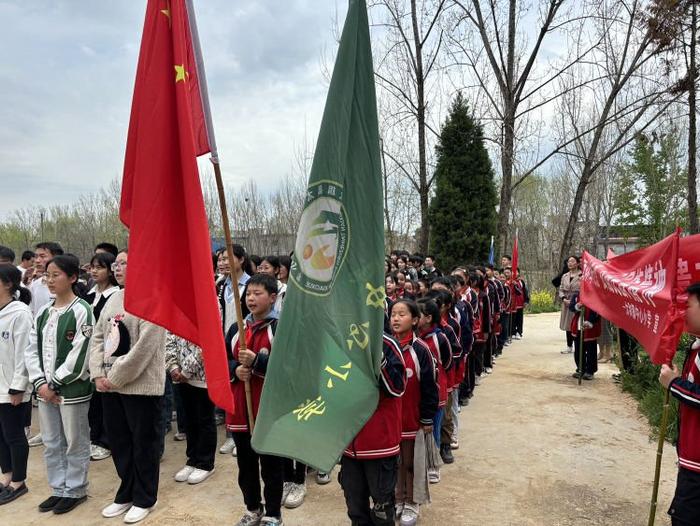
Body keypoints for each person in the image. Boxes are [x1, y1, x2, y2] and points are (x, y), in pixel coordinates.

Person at [89, 249, 166, 523]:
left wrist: (117, 376)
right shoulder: (114, 298)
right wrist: (97, 372)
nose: (117, 268)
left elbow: (146, 347)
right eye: (116, 264)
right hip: (109, 386)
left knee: (143, 443)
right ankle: (126, 493)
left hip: (140, 387)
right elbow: (98, 337)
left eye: (124, 263)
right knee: (120, 443)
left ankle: (145, 498)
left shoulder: (154, 298)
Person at [24, 254, 93, 515]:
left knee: (75, 440)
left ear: (73, 277)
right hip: (44, 390)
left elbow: (80, 354)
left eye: (56, 275)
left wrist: (54, 383)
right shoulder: (43, 312)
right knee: (52, 441)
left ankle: (75, 489)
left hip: (71, 389)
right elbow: (32, 350)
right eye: (47, 276)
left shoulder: (81, 310)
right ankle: (59, 488)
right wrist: (40, 382)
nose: (50, 281)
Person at [226, 273, 284, 526]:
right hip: (240, 409)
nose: (251, 298)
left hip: (269, 411)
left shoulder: (280, 328)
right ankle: (252, 508)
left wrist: (258, 361)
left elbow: (290, 368)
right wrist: (235, 371)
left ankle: (273, 513)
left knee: (271, 466)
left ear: (272, 298)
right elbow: (221, 361)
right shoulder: (236, 329)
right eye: (248, 293)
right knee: (245, 465)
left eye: (257, 293)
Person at [340, 333, 406, 525]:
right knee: (355, 507)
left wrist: (380, 360)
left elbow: (397, 388)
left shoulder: (387, 343)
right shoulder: (339, 342)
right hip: (348, 443)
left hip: (379, 444)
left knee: (382, 509)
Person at [390, 299, 438, 526]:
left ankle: (412, 502)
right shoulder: (386, 347)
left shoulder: (421, 350)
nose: (396, 319)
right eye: (393, 314)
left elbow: (430, 386)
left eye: (402, 314)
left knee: (411, 463)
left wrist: (427, 417)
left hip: (413, 420)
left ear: (416, 320)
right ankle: (398, 498)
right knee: (394, 462)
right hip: (391, 422)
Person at [660, 282, 700, 525]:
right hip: (691, 458)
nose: (682, 311)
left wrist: (674, 384)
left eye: (688, 305)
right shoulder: (695, 346)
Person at [0, 265, 33, 505]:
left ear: (8, 284)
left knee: (13, 435)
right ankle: (6, 476)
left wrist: (18, 386)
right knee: (0, 436)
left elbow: (25, 352)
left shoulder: (20, 313)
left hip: (12, 387)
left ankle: (19, 481)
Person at [165, 334, 217, 485]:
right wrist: (173, 367)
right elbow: (169, 340)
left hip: (202, 377)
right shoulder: (175, 311)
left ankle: (206, 463)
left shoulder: (212, 308)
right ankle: (192, 459)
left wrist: (186, 371)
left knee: (204, 419)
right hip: (180, 377)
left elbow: (207, 341)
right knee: (189, 420)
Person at [85, 252, 120, 462]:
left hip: (110, 353)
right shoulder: (89, 295)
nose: (94, 271)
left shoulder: (115, 295)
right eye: (92, 267)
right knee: (94, 402)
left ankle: (106, 441)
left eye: (100, 267)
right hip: (92, 354)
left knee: (107, 400)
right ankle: (95, 436)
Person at [416, 298, 451, 484]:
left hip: (436, 392)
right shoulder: (413, 337)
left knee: (433, 429)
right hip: (417, 393)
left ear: (428, 318)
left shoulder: (440, 338)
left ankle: (433, 465)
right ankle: (420, 463)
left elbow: (447, 362)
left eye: (418, 314)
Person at [569, 293, 600, 380]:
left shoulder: (594, 295)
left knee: (591, 350)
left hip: (589, 328)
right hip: (578, 326)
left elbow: (597, 311)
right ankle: (580, 369)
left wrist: (590, 321)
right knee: (578, 349)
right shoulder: (576, 295)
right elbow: (571, 307)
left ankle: (590, 371)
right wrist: (577, 306)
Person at [558, 256, 582, 354]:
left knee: (576, 323)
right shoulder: (565, 276)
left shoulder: (582, 275)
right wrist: (563, 298)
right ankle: (569, 346)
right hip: (566, 302)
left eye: (572, 261)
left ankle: (578, 345)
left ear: (577, 263)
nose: (570, 263)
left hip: (576, 302)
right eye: (569, 261)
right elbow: (561, 289)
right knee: (567, 324)